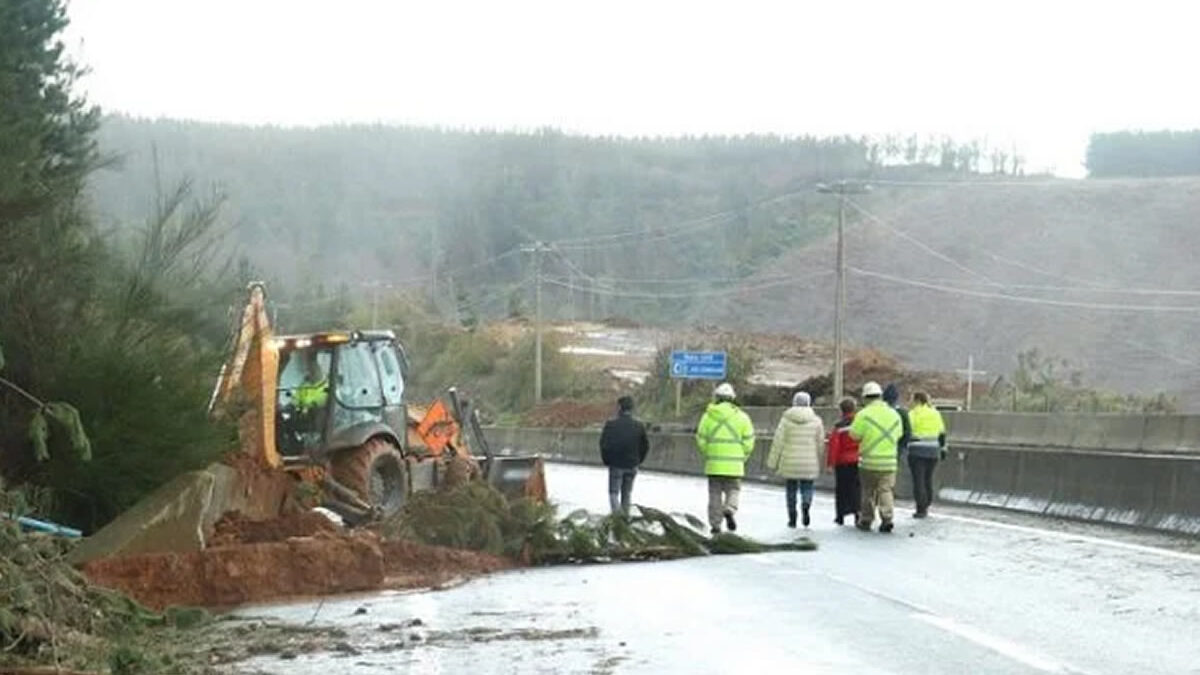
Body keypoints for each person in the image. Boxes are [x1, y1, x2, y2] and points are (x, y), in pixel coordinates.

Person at [695, 382, 755, 534]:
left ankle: (715, 524)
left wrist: (709, 452)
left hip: (714, 464)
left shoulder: (708, 416)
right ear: (732, 398)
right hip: (735, 465)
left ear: (717, 398)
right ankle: (729, 509)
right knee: (734, 490)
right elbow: (749, 440)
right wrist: (742, 456)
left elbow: (700, 438)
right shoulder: (743, 417)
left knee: (714, 494)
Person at [849, 381, 903, 533]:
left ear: (865, 398)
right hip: (889, 462)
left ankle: (866, 519)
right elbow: (899, 434)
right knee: (885, 490)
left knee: (868, 491)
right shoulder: (894, 414)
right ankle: (887, 518)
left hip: (868, 461)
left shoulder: (863, 415)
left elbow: (854, 435)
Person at [767, 391, 824, 528]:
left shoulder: (786, 420)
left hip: (789, 461)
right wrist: (820, 461)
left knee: (791, 489)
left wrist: (772, 462)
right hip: (809, 462)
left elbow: (778, 442)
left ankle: (792, 517)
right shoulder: (817, 421)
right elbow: (820, 443)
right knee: (807, 486)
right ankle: (806, 504)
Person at [599, 395, 650, 517]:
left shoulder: (611, 425)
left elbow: (604, 444)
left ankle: (617, 521)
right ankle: (625, 520)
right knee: (626, 494)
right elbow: (645, 446)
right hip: (632, 464)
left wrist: (607, 460)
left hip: (616, 464)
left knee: (613, 493)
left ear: (619, 408)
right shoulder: (639, 426)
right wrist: (638, 460)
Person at [907, 391, 947, 518]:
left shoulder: (912, 414)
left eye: (911, 400)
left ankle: (921, 508)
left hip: (917, 450)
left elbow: (908, 431)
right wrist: (943, 449)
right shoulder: (935, 413)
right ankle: (928, 502)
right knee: (928, 478)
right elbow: (942, 433)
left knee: (918, 480)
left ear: (917, 400)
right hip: (933, 450)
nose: (910, 402)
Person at [826, 397, 861, 526]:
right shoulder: (860, 423)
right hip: (858, 460)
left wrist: (831, 464)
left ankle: (840, 515)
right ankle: (858, 512)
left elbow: (834, 447)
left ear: (841, 410)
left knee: (841, 489)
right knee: (857, 488)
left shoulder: (839, 427)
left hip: (842, 462)